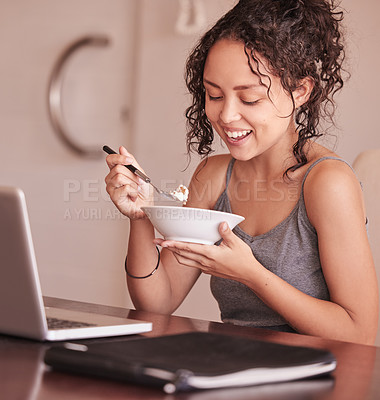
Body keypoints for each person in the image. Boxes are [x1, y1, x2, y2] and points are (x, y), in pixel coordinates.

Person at [105, 0, 378, 345]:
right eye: (214, 95)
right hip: (234, 366)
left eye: (249, 99)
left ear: (300, 92)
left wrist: (251, 274)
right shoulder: (213, 175)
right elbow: (158, 301)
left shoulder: (327, 182)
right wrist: (141, 215)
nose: (226, 116)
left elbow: (361, 333)